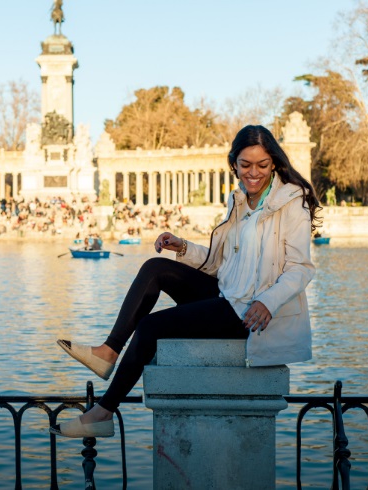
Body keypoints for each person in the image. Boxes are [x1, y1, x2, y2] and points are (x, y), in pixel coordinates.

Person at [51, 125, 321, 438]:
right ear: (233, 164)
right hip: (228, 295)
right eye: (245, 165)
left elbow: (301, 268)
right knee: (155, 268)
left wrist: (268, 301)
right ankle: (108, 352)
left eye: (262, 165)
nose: (253, 173)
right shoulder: (239, 201)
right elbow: (222, 263)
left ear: (274, 163)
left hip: (250, 313)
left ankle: (103, 411)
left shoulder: (292, 202)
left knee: (151, 327)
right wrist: (182, 247)